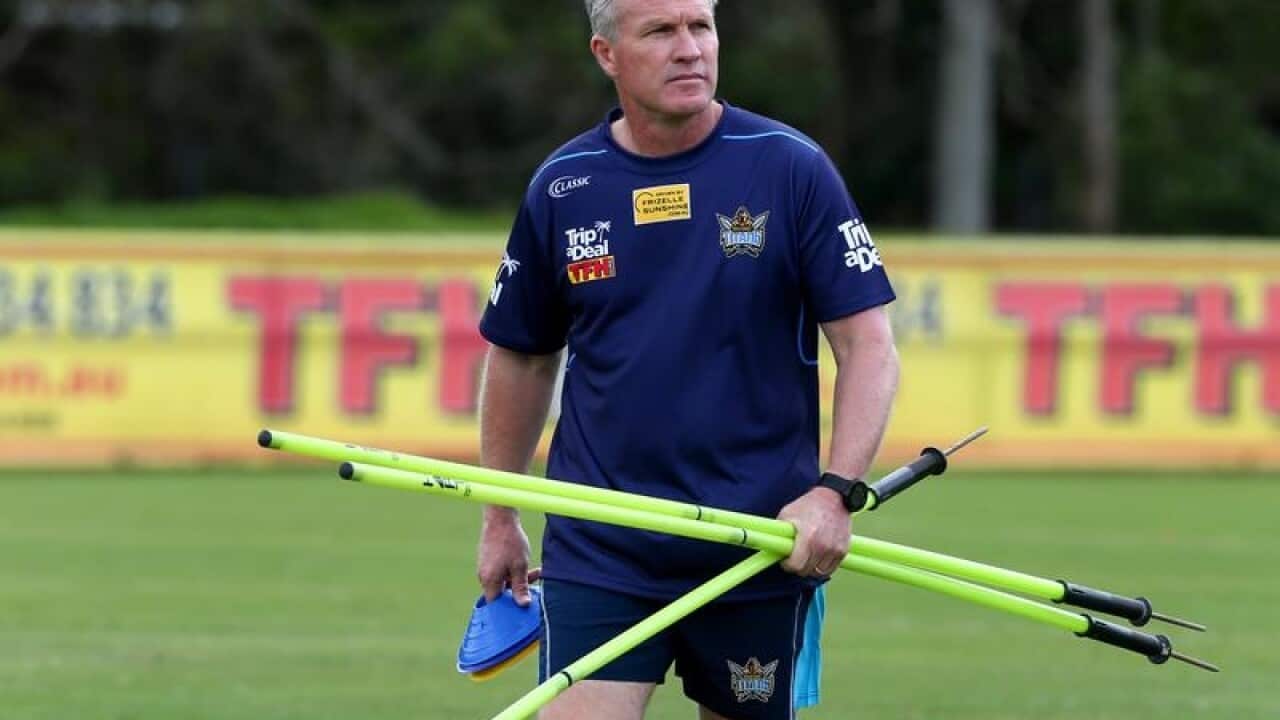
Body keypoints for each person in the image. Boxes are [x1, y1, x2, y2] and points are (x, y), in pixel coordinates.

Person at [476, 0, 899, 717]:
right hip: (601, 546)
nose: (689, 49)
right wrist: (499, 513)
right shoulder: (564, 185)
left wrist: (834, 493)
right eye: (661, 32)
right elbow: (522, 359)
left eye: (700, 27)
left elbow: (868, 345)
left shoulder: (790, 168)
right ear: (607, 55)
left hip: (760, 547)